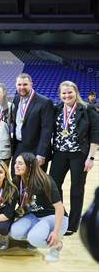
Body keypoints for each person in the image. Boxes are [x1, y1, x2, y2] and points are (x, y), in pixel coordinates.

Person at [49, 81, 99, 236]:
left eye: (70, 92)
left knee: (77, 188)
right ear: (60, 95)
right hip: (59, 153)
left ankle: (73, 223)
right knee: (53, 185)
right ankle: (62, 216)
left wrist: (91, 157)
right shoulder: (57, 109)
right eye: (63, 93)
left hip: (79, 154)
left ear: (76, 92)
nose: (67, 95)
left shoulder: (87, 109)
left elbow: (96, 133)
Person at [10, 153, 68, 262]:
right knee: (15, 232)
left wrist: (55, 232)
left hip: (53, 217)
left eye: (20, 163)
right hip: (34, 216)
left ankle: (57, 245)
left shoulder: (44, 181)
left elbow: (59, 208)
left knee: (35, 238)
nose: (15, 166)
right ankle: (37, 236)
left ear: (30, 166)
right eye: (16, 162)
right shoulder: (17, 180)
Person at [11, 73, 54, 172]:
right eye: (19, 85)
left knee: (35, 182)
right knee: (16, 176)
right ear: (16, 85)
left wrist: (41, 153)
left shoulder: (45, 102)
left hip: (36, 148)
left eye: (25, 84)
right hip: (19, 146)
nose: (22, 87)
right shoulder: (16, 99)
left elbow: (46, 130)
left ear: (31, 84)